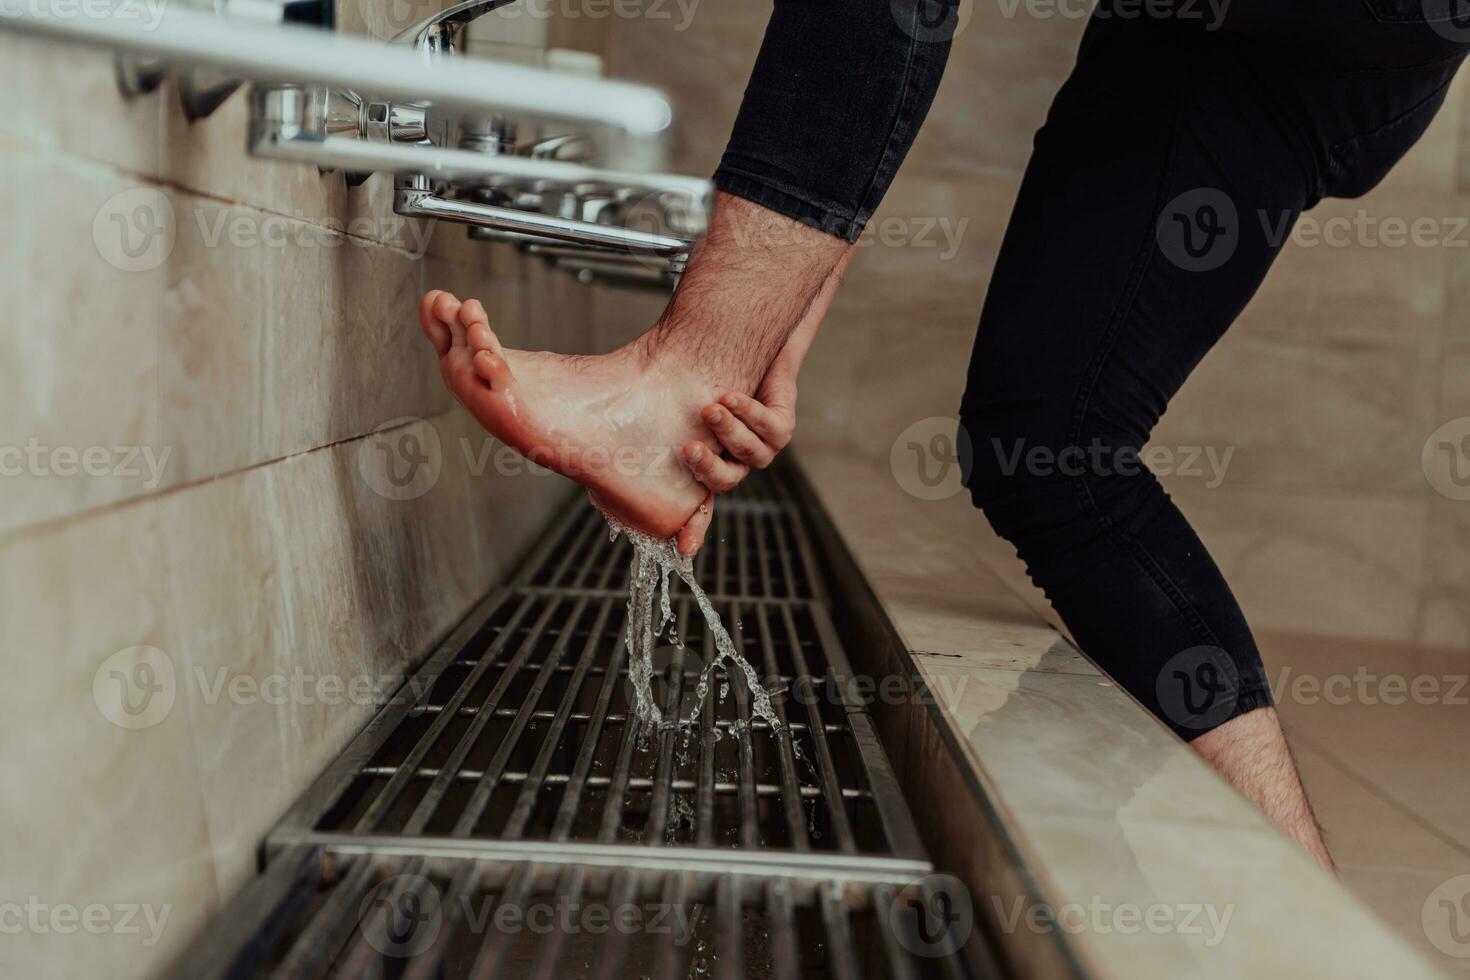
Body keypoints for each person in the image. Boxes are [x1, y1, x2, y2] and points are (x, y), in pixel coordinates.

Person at [416, 0, 1470, 870]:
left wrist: (721, 343)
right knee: (1051, 446)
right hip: (1253, 54)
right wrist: (766, 327)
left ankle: (680, 376)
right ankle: (1307, 926)